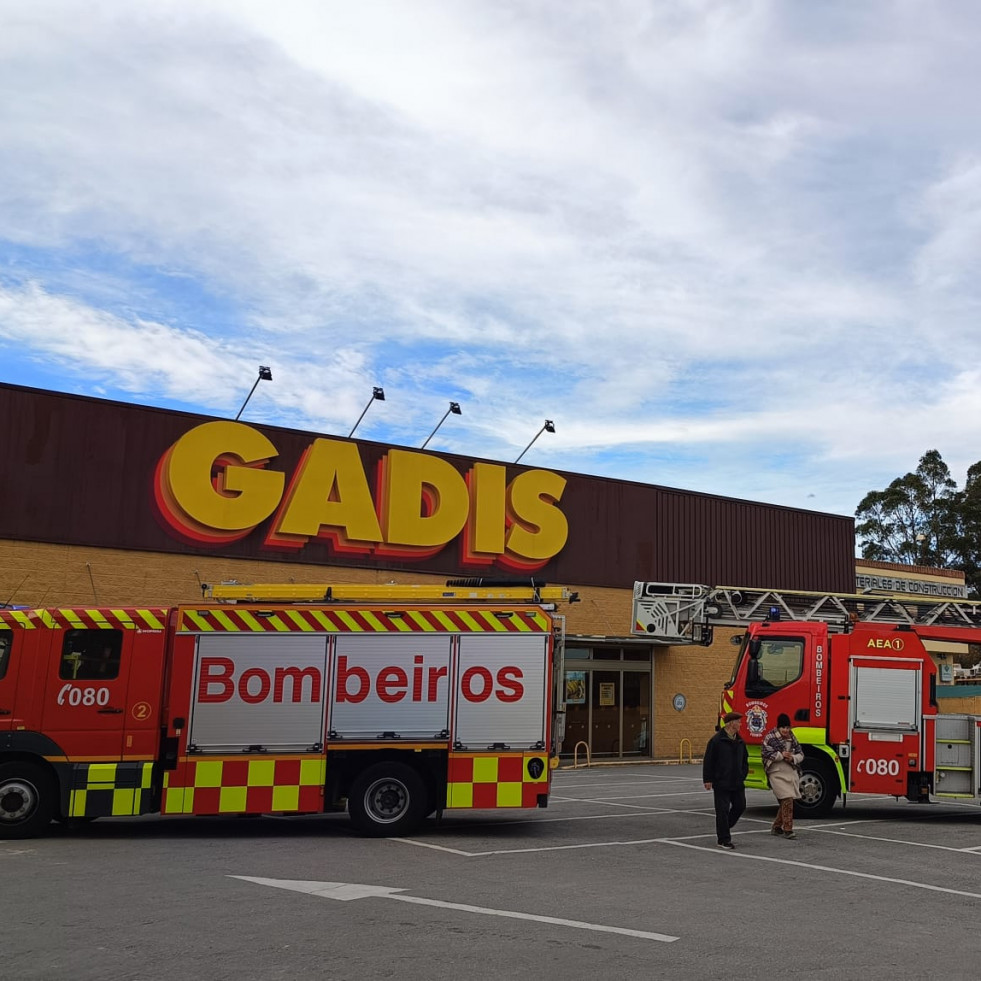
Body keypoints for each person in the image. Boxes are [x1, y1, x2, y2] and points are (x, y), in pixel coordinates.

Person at [702, 711, 749, 850]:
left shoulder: (740, 741)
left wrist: (743, 774)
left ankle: (724, 826)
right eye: (738, 722)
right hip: (721, 781)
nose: (741, 724)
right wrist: (708, 779)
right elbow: (709, 761)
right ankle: (723, 839)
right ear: (731, 723)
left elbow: (744, 761)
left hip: (737, 781)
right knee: (722, 810)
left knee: (740, 806)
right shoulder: (716, 741)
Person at [761, 713, 804, 839]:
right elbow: (765, 752)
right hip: (776, 771)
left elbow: (801, 753)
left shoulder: (792, 737)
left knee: (787, 800)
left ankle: (776, 827)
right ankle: (788, 830)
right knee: (787, 799)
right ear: (778, 727)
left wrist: (793, 757)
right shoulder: (770, 737)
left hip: (790, 771)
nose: (785, 730)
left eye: (787, 727)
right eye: (783, 727)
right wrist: (781, 755)